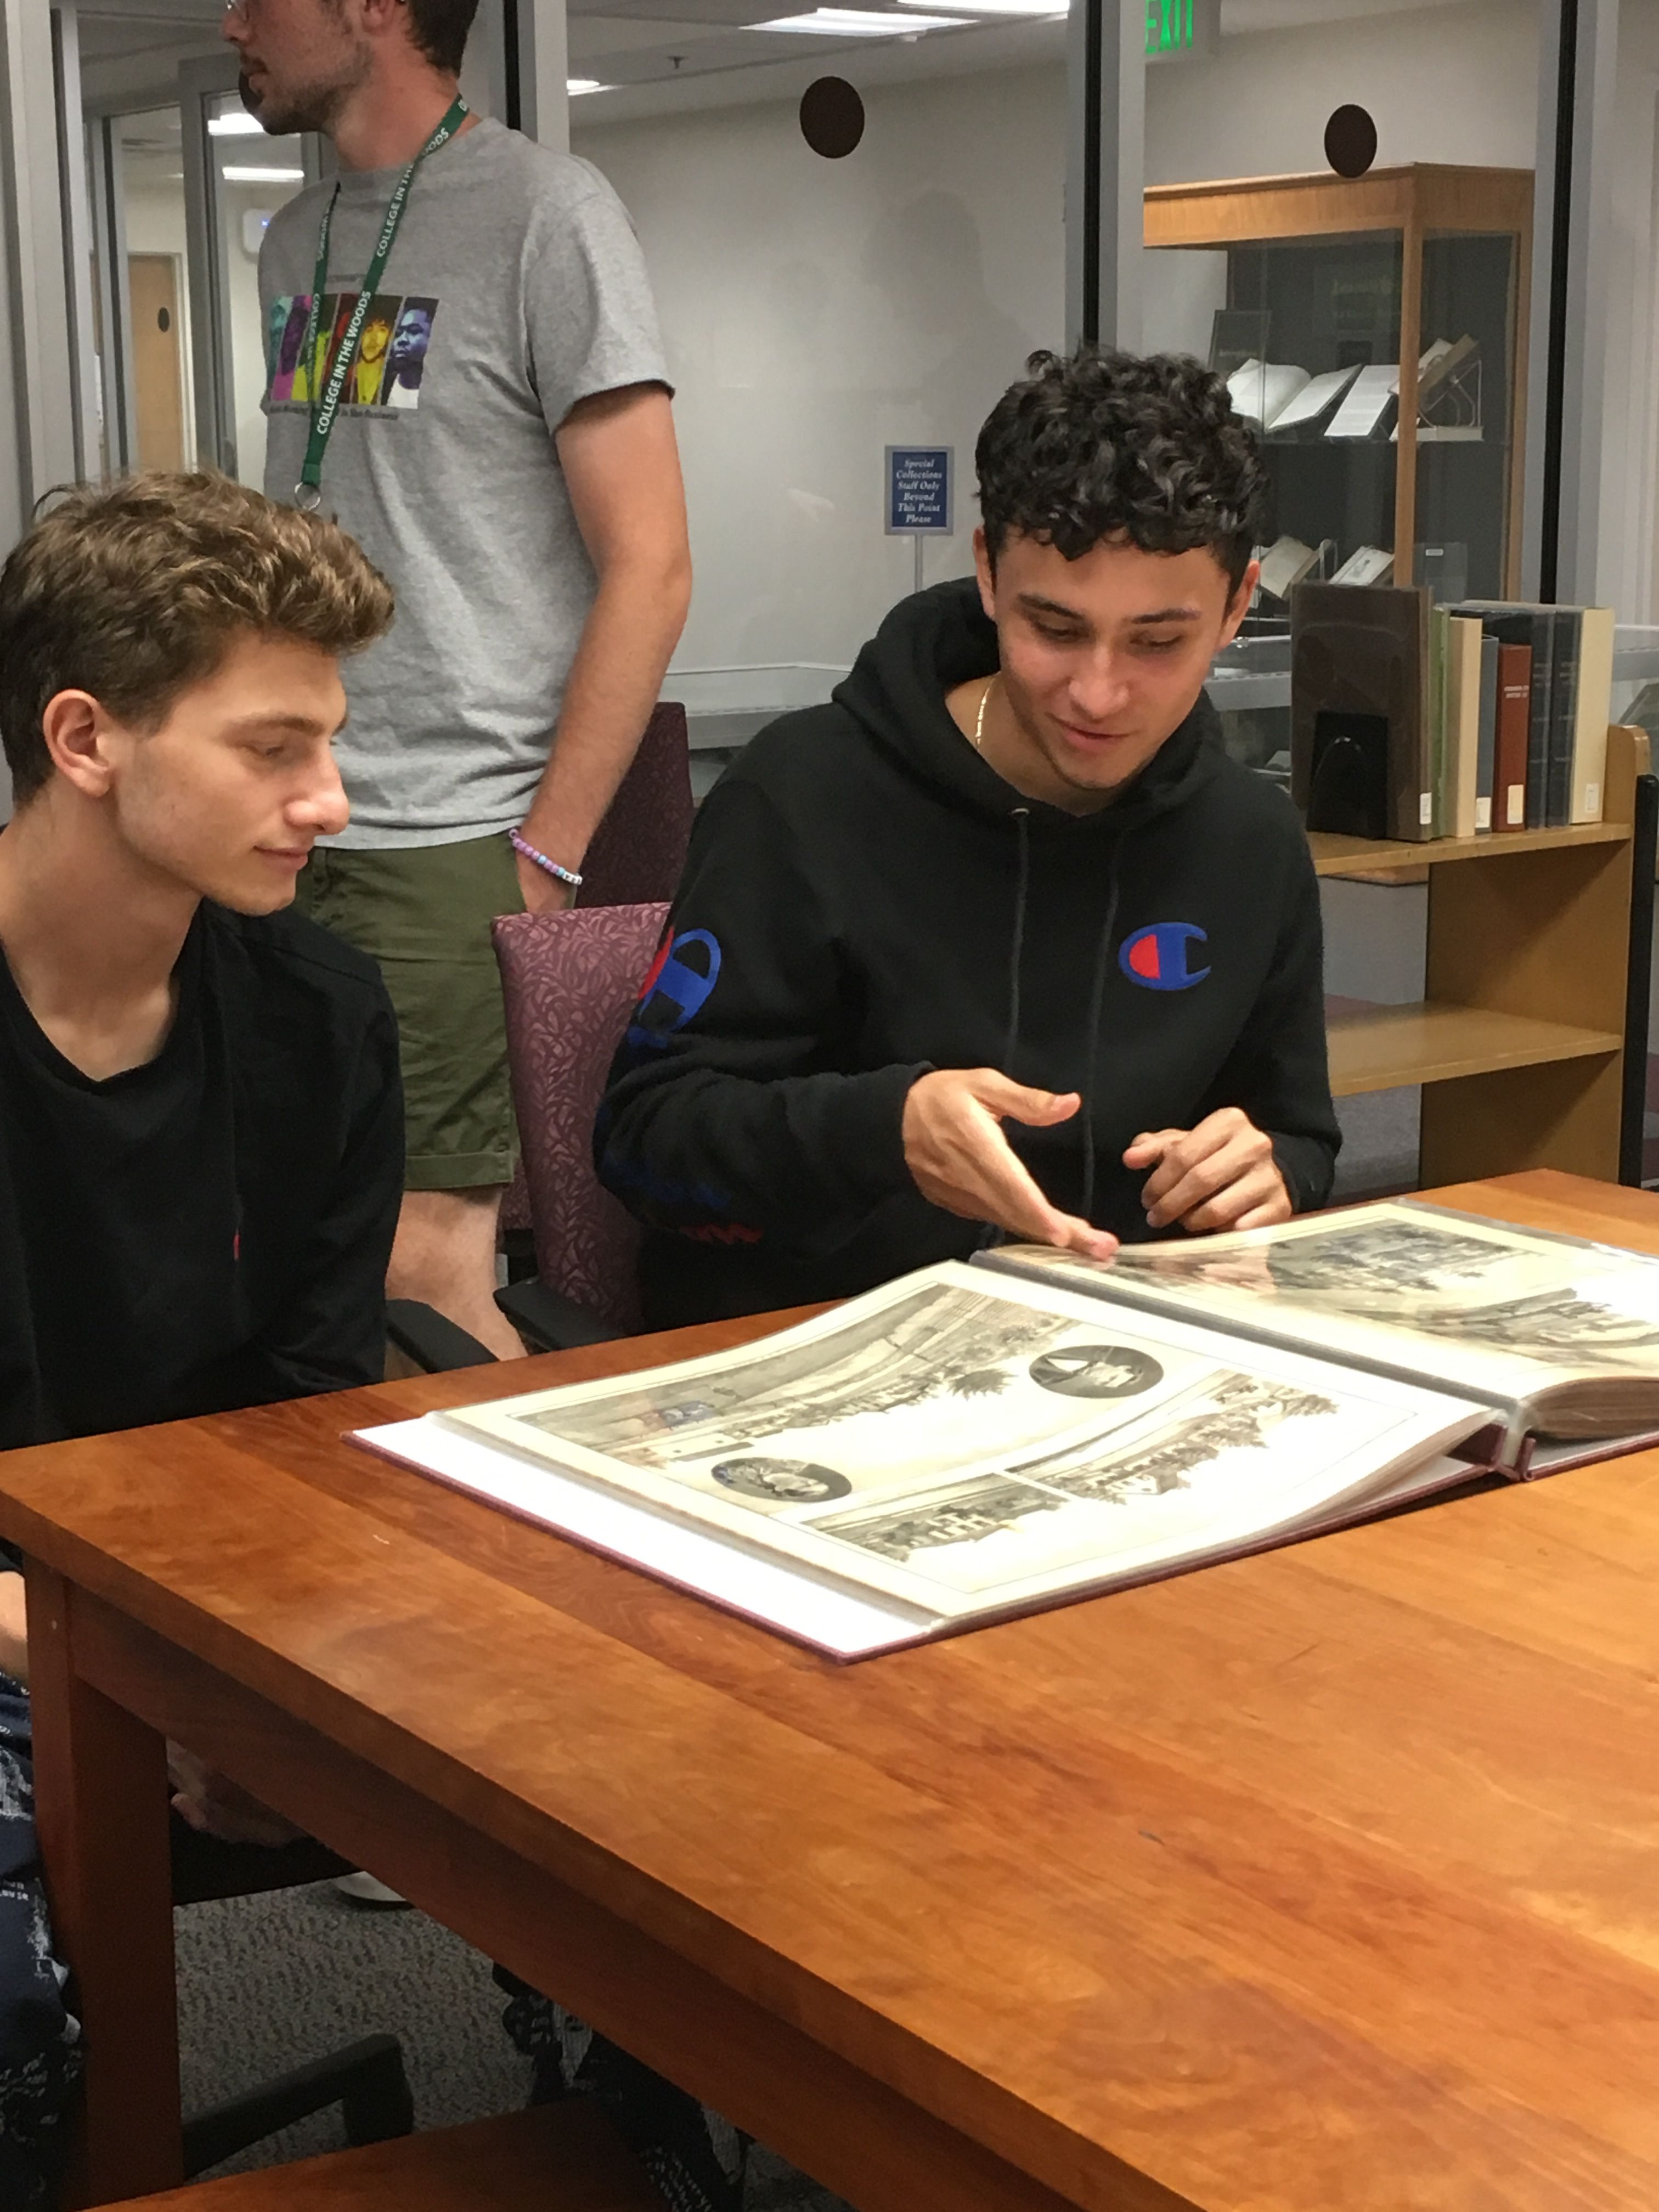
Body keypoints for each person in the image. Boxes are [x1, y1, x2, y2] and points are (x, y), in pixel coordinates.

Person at [598, 345, 1341, 1325]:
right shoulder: (803, 795)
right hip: (825, 1345)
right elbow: (643, 1140)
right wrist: (884, 1131)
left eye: (1158, 643)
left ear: (1240, 605)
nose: (1098, 693)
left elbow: (1299, 1134)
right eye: (1056, 629)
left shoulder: (1252, 840)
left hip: (1127, 1346)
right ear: (988, 572)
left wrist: (1270, 1169)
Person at [0, 472, 403, 2206]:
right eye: (272, 749)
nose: (330, 800)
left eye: (329, 743)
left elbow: (307, 1415)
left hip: (183, 1596)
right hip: (42, 1624)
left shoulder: (318, 1015)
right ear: (86, 739)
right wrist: (129, 1675)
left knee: (626, 1748)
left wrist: (248, 1663)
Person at [227, 0, 693, 1357]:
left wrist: (544, 855)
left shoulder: (549, 215)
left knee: (420, 1271)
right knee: (296, 1244)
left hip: (454, 834)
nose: (233, 19)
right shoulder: (293, 236)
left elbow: (652, 566)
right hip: (296, 819)